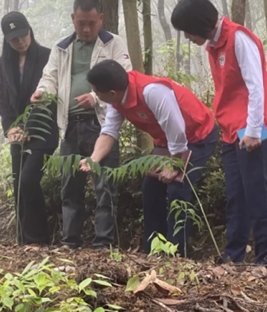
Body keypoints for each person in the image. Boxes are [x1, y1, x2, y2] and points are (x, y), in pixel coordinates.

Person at [170, 0, 267, 266]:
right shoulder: (215, 45)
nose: (188, 37)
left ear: (199, 24)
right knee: (236, 194)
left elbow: (255, 85)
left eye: (188, 31)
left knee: (257, 192)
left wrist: (253, 129)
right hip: (231, 129)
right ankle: (233, 255)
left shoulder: (238, 38)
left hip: (254, 127)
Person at [77, 60, 219, 257]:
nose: (97, 97)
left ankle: (177, 254)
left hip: (196, 135)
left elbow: (177, 131)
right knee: (151, 189)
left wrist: (174, 165)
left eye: (98, 93)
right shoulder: (117, 100)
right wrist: (94, 159)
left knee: (178, 189)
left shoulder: (152, 92)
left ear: (111, 93)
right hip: (165, 142)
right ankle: (153, 252)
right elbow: (109, 132)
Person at [31, 0, 132, 249]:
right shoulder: (62, 48)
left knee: (105, 185)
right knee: (70, 187)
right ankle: (70, 242)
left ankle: (103, 243)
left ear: (101, 19)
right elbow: (49, 77)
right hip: (70, 125)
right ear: (72, 19)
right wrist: (42, 92)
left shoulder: (114, 44)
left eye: (91, 23)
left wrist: (96, 99)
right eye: (81, 23)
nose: (86, 29)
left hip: (102, 125)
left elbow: (125, 80)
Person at [0, 11, 58, 246]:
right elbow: (3, 98)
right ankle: (23, 240)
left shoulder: (46, 57)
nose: (20, 41)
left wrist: (31, 126)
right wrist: (9, 129)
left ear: (30, 31)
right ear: (7, 40)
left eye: (23, 35)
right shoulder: (5, 62)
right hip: (17, 133)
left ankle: (38, 240)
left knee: (29, 180)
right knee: (18, 184)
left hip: (44, 131)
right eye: (14, 39)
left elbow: (52, 96)